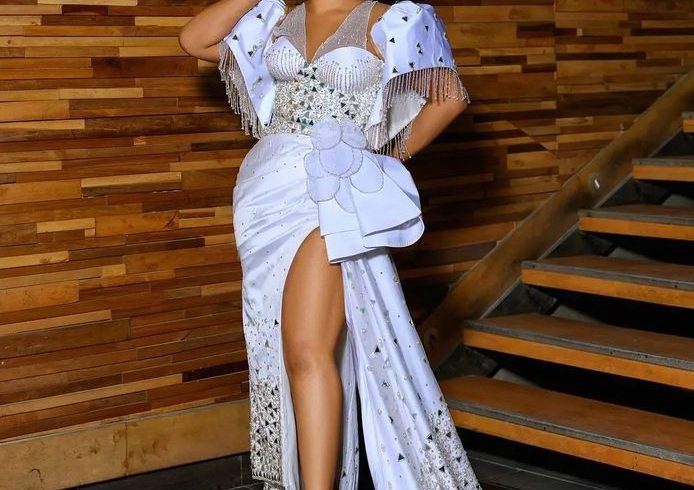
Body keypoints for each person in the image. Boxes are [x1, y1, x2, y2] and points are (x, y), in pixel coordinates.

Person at [179, 1, 479, 488]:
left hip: (334, 195)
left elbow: (448, 98)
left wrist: (379, 159)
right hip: (265, 193)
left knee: (307, 349)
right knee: (285, 349)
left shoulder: (391, 18)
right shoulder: (276, 18)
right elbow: (195, 40)